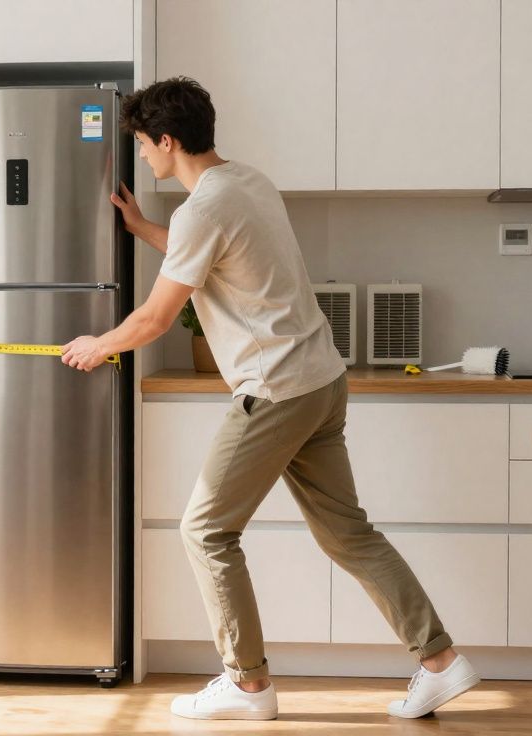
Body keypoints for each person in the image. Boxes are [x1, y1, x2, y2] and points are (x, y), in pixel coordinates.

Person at [60, 77, 480, 721]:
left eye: (144, 144)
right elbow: (210, 252)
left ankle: (247, 683)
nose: (143, 156)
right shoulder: (245, 182)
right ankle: (441, 661)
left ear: (168, 141)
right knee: (348, 533)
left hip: (276, 389)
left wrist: (98, 344)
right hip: (320, 380)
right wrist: (144, 227)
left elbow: (153, 320)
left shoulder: (201, 209)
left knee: (206, 530)